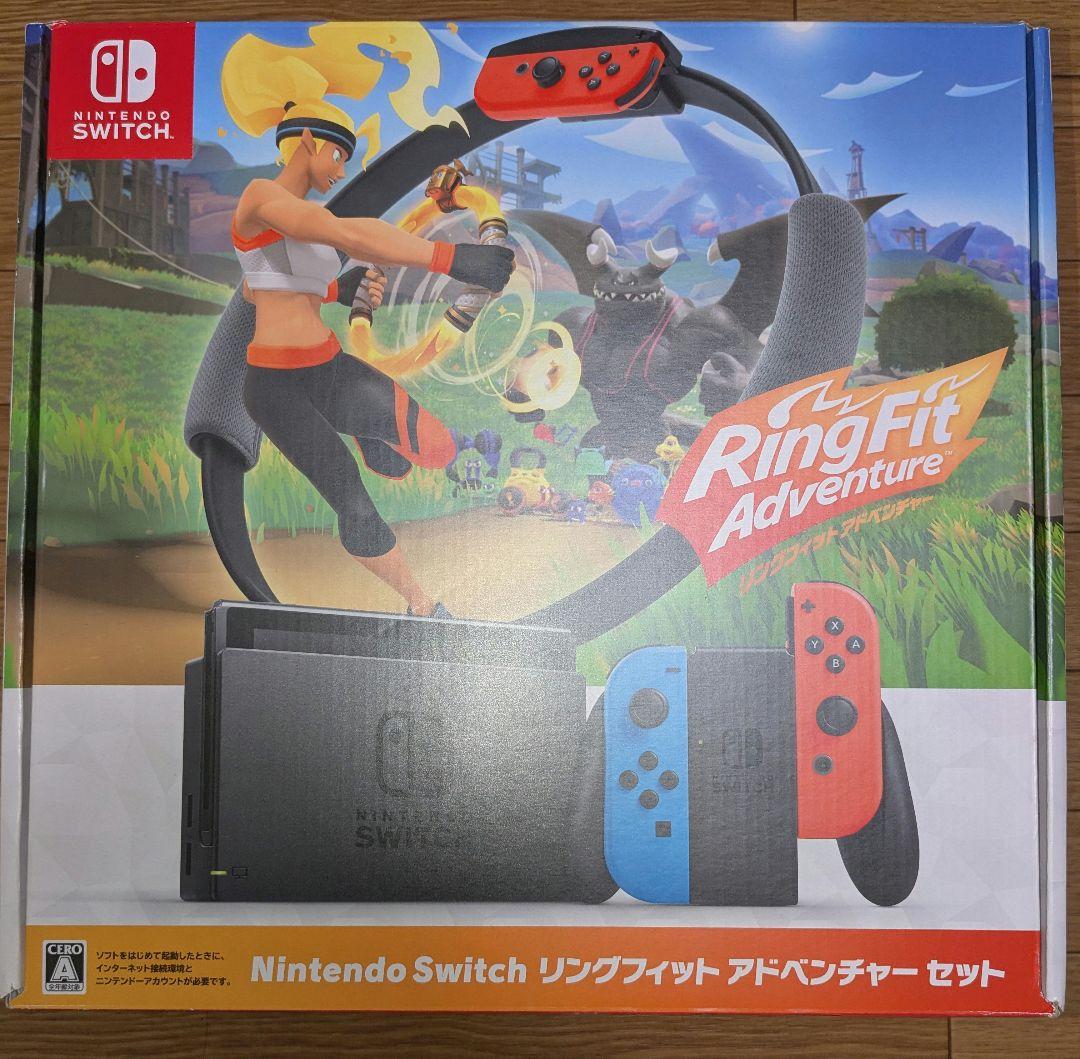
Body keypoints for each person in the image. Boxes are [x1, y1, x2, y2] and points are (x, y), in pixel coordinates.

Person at [225, 53, 514, 617]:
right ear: (307, 140)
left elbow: (264, 289)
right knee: (353, 500)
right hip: (276, 389)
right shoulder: (261, 198)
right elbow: (344, 232)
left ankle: (363, 429)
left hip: (330, 366)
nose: (340, 171)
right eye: (338, 154)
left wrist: (340, 291)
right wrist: (450, 259)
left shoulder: (292, 222)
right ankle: (420, 604)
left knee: (436, 449)